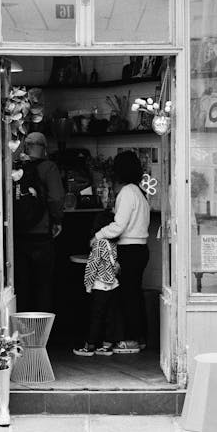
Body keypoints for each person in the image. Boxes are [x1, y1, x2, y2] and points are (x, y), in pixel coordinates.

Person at [93, 151, 150, 354]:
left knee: (128, 296)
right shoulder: (139, 193)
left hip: (129, 249)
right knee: (135, 294)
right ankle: (140, 337)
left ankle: (132, 339)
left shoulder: (126, 192)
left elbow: (118, 226)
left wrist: (98, 235)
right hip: (141, 248)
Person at [13, 131, 65, 312]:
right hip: (41, 235)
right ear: (44, 149)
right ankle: (43, 334)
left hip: (18, 236)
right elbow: (56, 198)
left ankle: (21, 333)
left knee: (21, 286)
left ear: (26, 147)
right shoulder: (49, 167)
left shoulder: (15, 168)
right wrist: (57, 220)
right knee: (43, 286)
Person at [73, 211, 121, 357]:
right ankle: (107, 345)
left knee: (96, 315)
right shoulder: (113, 243)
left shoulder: (99, 243)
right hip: (113, 283)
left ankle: (90, 345)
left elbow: (92, 266)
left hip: (100, 284)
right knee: (110, 316)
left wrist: (88, 284)